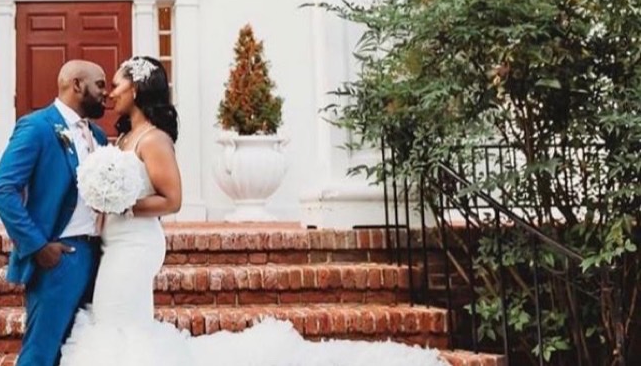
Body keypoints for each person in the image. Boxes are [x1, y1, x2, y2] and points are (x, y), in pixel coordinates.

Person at [57, 56, 450, 366]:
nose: (111, 91)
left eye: (118, 83)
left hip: (135, 248)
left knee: (119, 325)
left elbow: (172, 200)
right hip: (116, 245)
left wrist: (123, 203)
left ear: (138, 88)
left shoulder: (154, 139)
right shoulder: (125, 135)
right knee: (120, 324)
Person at [0, 59, 110, 366]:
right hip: (60, 258)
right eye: (100, 84)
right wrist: (38, 246)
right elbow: (2, 189)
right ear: (77, 85)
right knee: (42, 352)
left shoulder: (98, 136)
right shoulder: (37, 126)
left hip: (100, 256)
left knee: (80, 350)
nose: (106, 93)